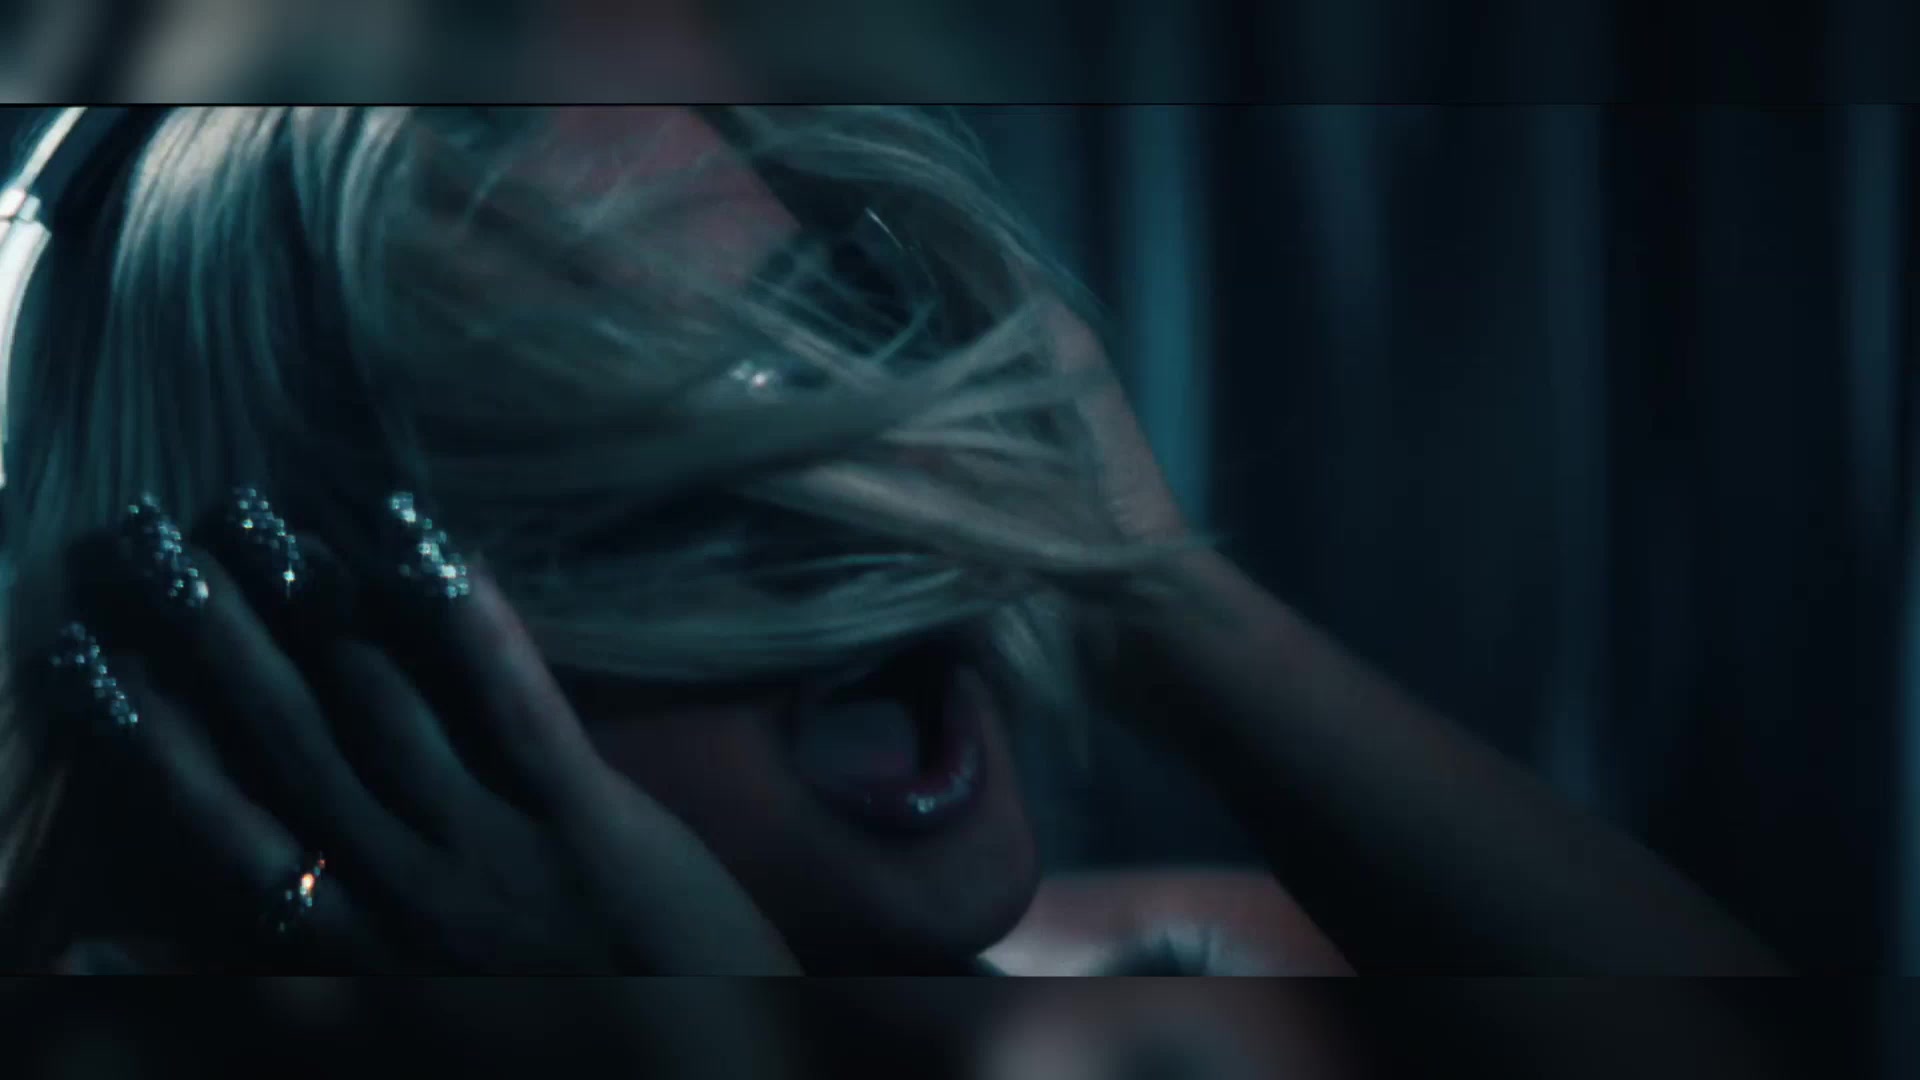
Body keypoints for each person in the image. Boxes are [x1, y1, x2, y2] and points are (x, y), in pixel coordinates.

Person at [0, 105, 1784, 978]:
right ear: (288, 674)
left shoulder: (1167, 983)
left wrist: (1149, 591)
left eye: (820, 351)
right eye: (627, 476)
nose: (847, 511)